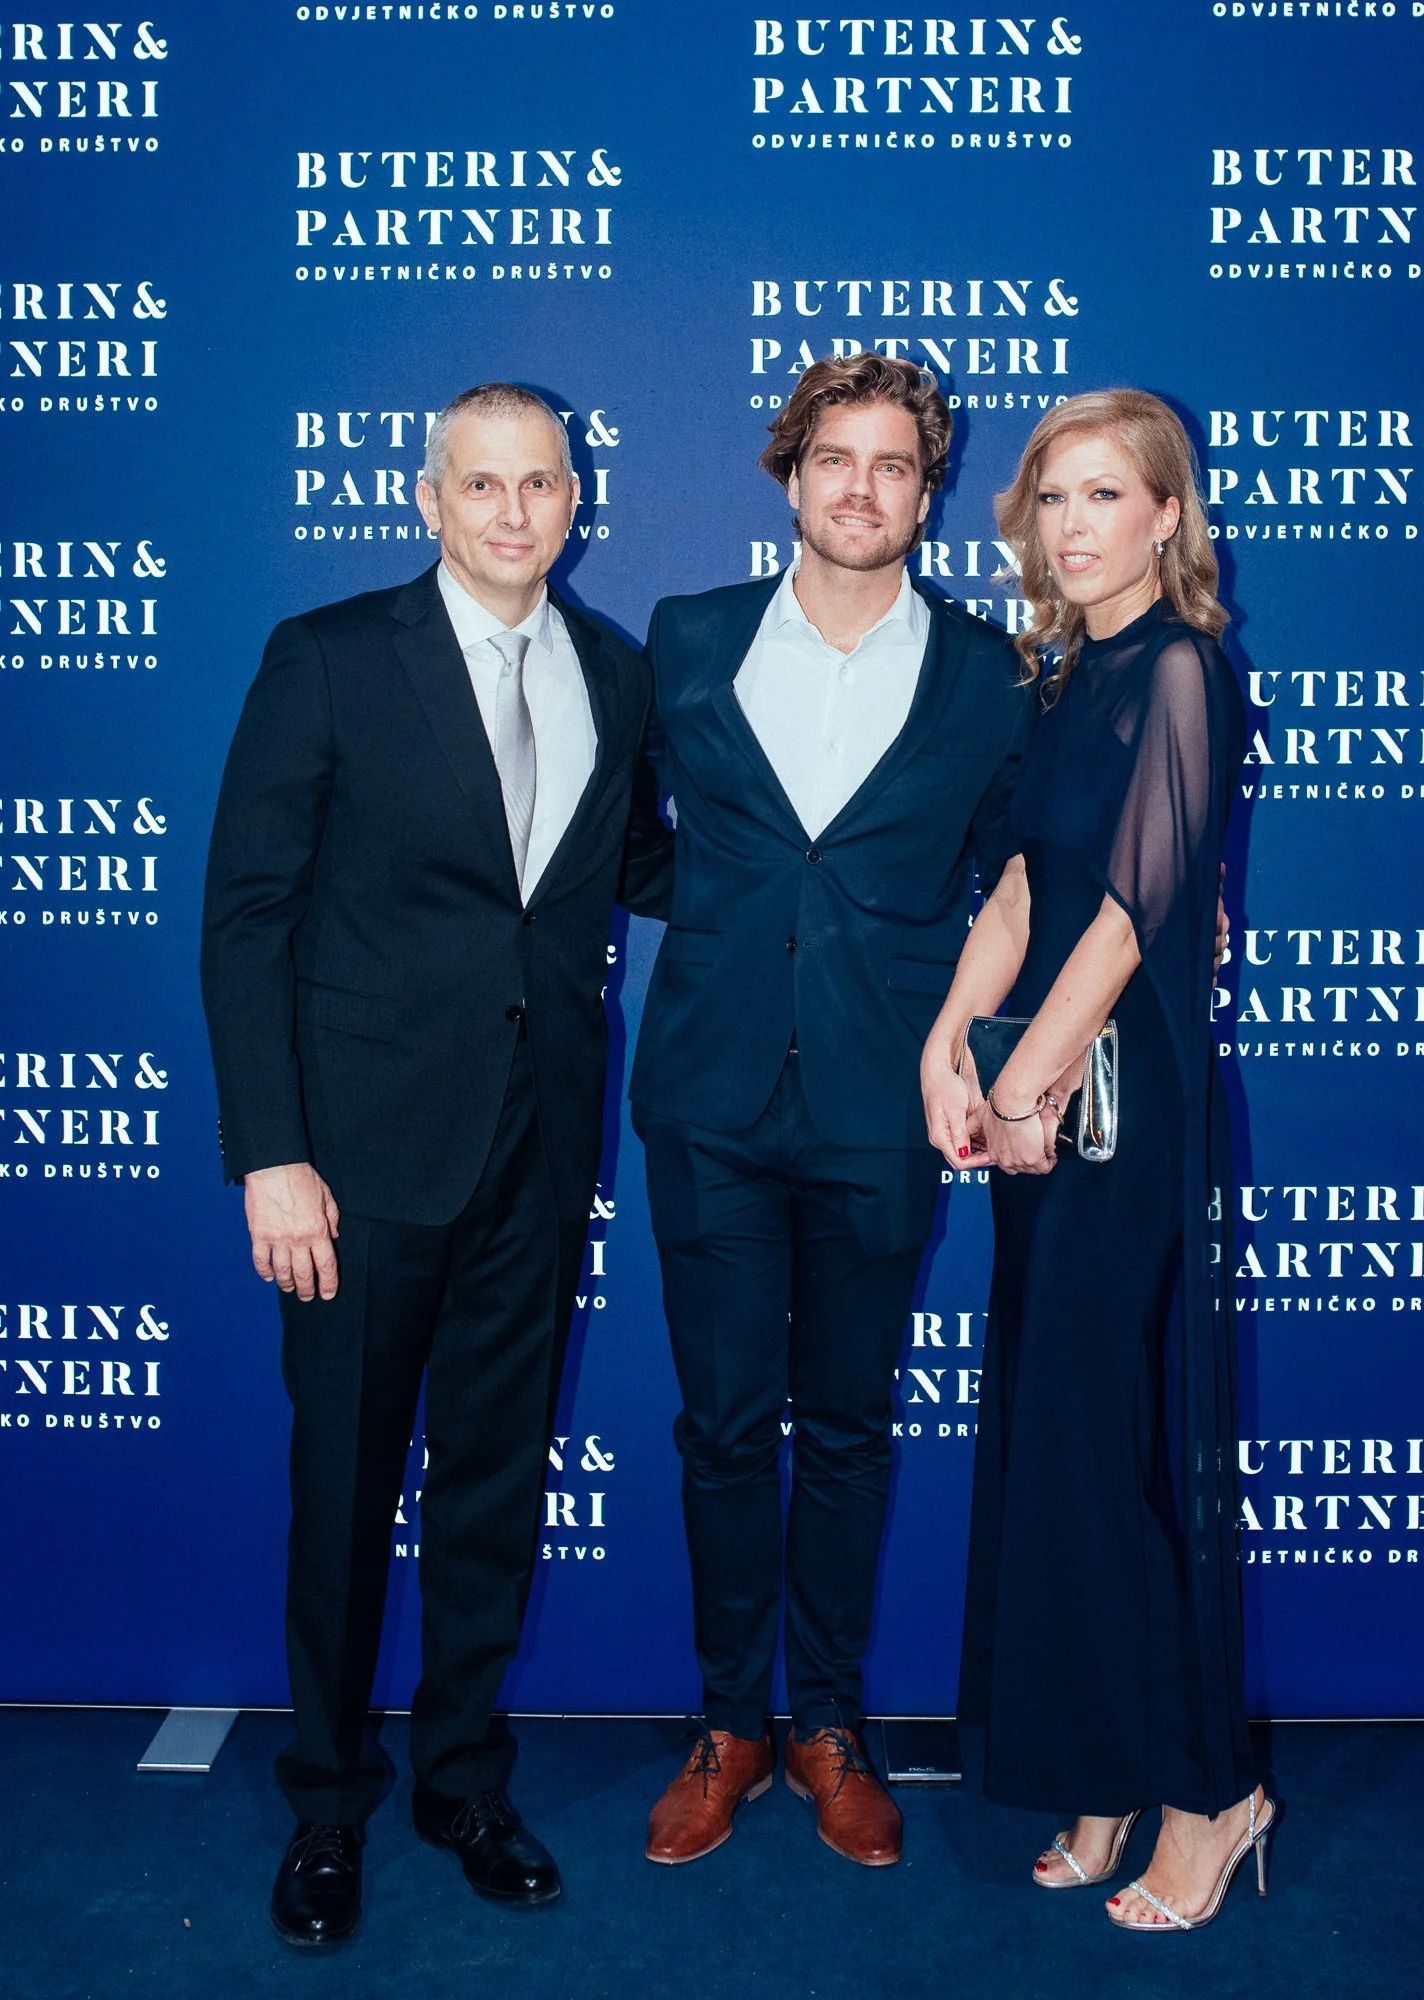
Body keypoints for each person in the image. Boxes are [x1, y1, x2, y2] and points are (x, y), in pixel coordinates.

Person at [200, 382, 672, 1947]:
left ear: (572, 499)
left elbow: (659, 864)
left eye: (542, 483)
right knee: (341, 1494)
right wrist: (273, 1156)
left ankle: (462, 1779)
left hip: (536, 1157)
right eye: (485, 484)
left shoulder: (613, 671)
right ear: (428, 498)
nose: (517, 512)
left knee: (491, 1488)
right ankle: (326, 1804)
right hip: (360, 1165)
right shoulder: (329, 658)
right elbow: (246, 919)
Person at [632, 355, 1033, 1868]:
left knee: (852, 1429)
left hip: (887, 1104)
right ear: (788, 475)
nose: (862, 489)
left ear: (929, 496)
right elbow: (622, 840)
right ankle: (729, 1724)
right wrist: (749, 925)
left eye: (894, 467)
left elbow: (1013, 875)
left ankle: (829, 1726)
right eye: (834, 460)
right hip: (712, 1102)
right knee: (724, 1430)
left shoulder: (997, 675)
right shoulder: (686, 641)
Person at [920, 390, 1273, 1933]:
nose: (1071, 526)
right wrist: (951, 1040)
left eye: (1105, 496)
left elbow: (1132, 914)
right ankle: (1110, 1767)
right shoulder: (1059, 678)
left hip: (1120, 1119)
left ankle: (1211, 1796)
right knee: (1065, 1451)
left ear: (1168, 517)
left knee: (1125, 1450)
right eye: (1052, 499)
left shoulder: (1185, 671)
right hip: (1044, 1110)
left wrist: (1025, 1081)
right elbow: (1019, 887)